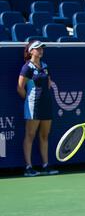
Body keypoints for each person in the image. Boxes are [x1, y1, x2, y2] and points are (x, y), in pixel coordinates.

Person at [17, 41, 58, 177]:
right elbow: (20, 88)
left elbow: (48, 84)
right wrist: (30, 99)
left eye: (42, 48)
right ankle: (28, 167)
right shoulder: (26, 67)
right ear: (30, 51)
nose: (40, 51)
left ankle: (45, 165)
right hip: (32, 105)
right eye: (37, 48)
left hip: (46, 104)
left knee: (44, 135)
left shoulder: (45, 66)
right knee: (30, 135)